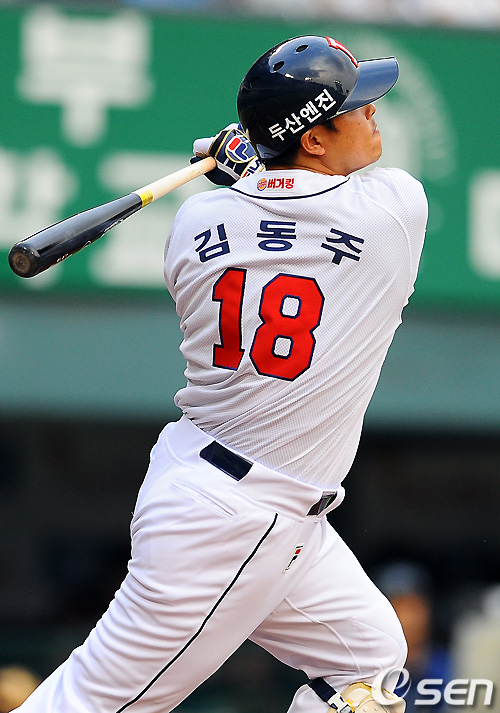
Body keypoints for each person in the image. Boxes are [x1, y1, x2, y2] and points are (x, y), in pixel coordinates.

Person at [17, 35, 427, 713]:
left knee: (366, 663)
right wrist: (250, 164)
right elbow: (307, 206)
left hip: (230, 490)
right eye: (355, 106)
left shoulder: (194, 221)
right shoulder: (394, 211)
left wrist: (247, 169)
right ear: (314, 139)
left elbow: (270, 206)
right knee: (91, 701)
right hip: (237, 516)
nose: (372, 112)